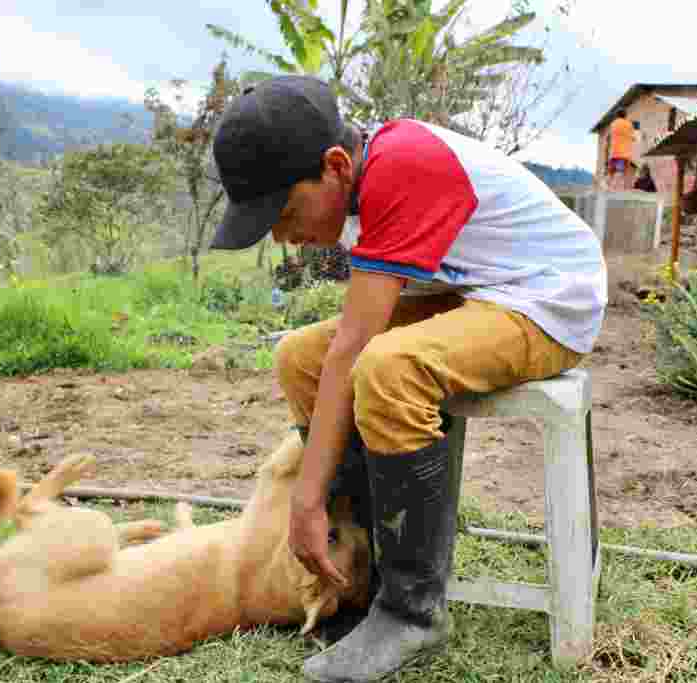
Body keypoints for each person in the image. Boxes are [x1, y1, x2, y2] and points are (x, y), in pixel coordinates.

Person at [209, 75, 607, 683]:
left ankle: (411, 611)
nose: (284, 237)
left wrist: (305, 499)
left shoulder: (402, 166)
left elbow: (355, 348)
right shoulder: (360, 180)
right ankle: (361, 574)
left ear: (336, 166)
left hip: (548, 300)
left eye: (285, 213)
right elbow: (338, 351)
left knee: (389, 367)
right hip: (473, 293)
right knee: (299, 357)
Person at [607, 109, 635, 185]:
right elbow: (633, 137)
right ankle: (616, 186)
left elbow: (611, 136)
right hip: (624, 153)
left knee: (611, 172)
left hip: (614, 152)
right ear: (625, 115)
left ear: (617, 115)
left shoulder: (613, 124)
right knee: (620, 171)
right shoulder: (629, 124)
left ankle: (607, 185)